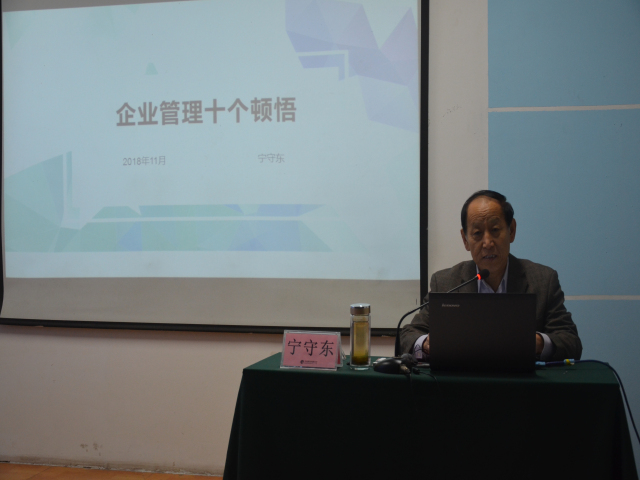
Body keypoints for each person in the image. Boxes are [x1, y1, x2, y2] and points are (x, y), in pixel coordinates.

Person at [400, 190, 582, 361]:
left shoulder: (543, 280)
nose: (487, 243)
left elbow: (571, 341)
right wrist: (425, 344)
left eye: (495, 230)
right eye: (477, 233)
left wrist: (539, 343)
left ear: (511, 230)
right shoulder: (446, 283)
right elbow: (409, 334)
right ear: (465, 239)